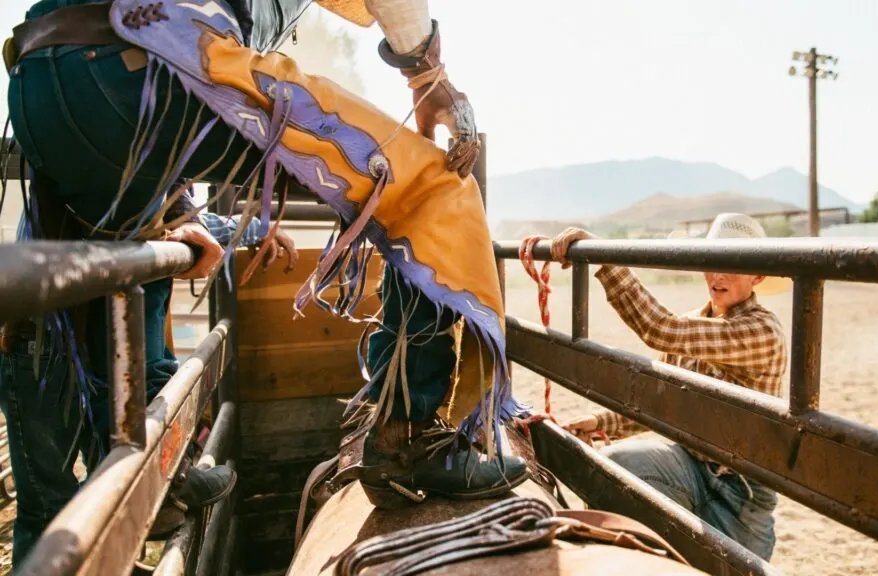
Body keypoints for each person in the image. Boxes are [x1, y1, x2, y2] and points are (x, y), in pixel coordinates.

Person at [3, 0, 527, 515]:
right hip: (152, 65)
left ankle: (143, 464)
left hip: (34, 85)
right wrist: (427, 78)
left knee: (125, 242)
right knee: (434, 189)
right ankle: (405, 438)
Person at [0, 199, 297, 566]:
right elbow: (142, 203)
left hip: (63, 342)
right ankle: (165, 482)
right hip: (46, 342)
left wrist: (251, 226)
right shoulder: (98, 175)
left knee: (93, 490)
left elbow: (172, 211)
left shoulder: (134, 185)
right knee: (51, 507)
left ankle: (157, 493)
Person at [551, 213, 790, 561]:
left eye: (735, 264)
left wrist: (604, 259)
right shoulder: (696, 324)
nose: (720, 275)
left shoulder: (761, 332)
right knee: (612, 466)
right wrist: (601, 423)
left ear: (758, 275)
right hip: (691, 467)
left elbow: (661, 329)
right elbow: (659, 400)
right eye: (715, 261)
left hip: (741, 493)